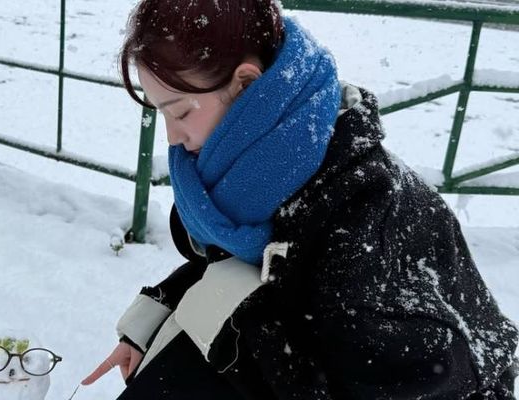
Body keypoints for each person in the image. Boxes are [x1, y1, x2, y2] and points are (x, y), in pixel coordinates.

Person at [81, 1, 519, 398]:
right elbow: (242, 265)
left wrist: (225, 315)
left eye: (179, 111)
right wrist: (157, 318)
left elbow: (389, 380)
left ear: (246, 85)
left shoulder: (362, 214)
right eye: (161, 112)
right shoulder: (265, 164)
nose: (172, 137)